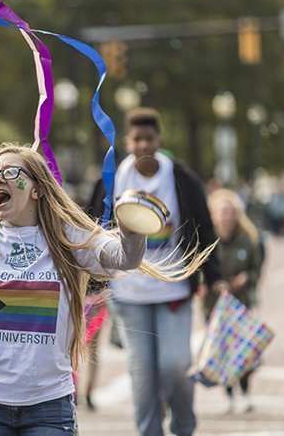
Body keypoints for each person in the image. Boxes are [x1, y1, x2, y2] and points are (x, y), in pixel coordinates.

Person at [0, 90, 214, 435]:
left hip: (48, 407)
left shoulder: (68, 237)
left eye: (10, 174)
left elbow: (125, 259)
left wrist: (133, 229)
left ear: (37, 189)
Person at [92, 107, 223, 436]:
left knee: (176, 364)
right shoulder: (112, 179)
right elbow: (92, 229)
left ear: (159, 140)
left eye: (150, 139)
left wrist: (215, 276)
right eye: (137, 139)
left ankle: (183, 427)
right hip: (129, 293)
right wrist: (91, 283)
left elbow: (205, 230)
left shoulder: (181, 178)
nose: (144, 145)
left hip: (173, 288)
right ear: (128, 141)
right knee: (143, 373)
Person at [204, 188, 263, 413]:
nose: (227, 217)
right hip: (214, 303)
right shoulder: (208, 240)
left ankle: (246, 391)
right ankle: (228, 395)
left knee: (245, 351)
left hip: (241, 302)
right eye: (222, 212)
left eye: (231, 212)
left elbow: (256, 268)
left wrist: (247, 278)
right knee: (224, 351)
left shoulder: (248, 239)